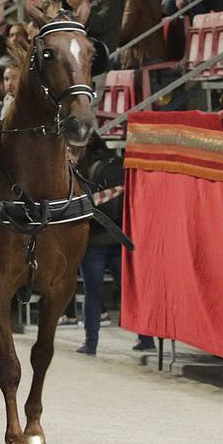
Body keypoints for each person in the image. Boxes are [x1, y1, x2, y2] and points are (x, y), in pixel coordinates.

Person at [70, 132, 155, 353]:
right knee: (128, 291)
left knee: (93, 294)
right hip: (120, 238)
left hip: (94, 242)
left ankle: (91, 343)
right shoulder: (119, 164)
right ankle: (146, 338)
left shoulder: (83, 171)